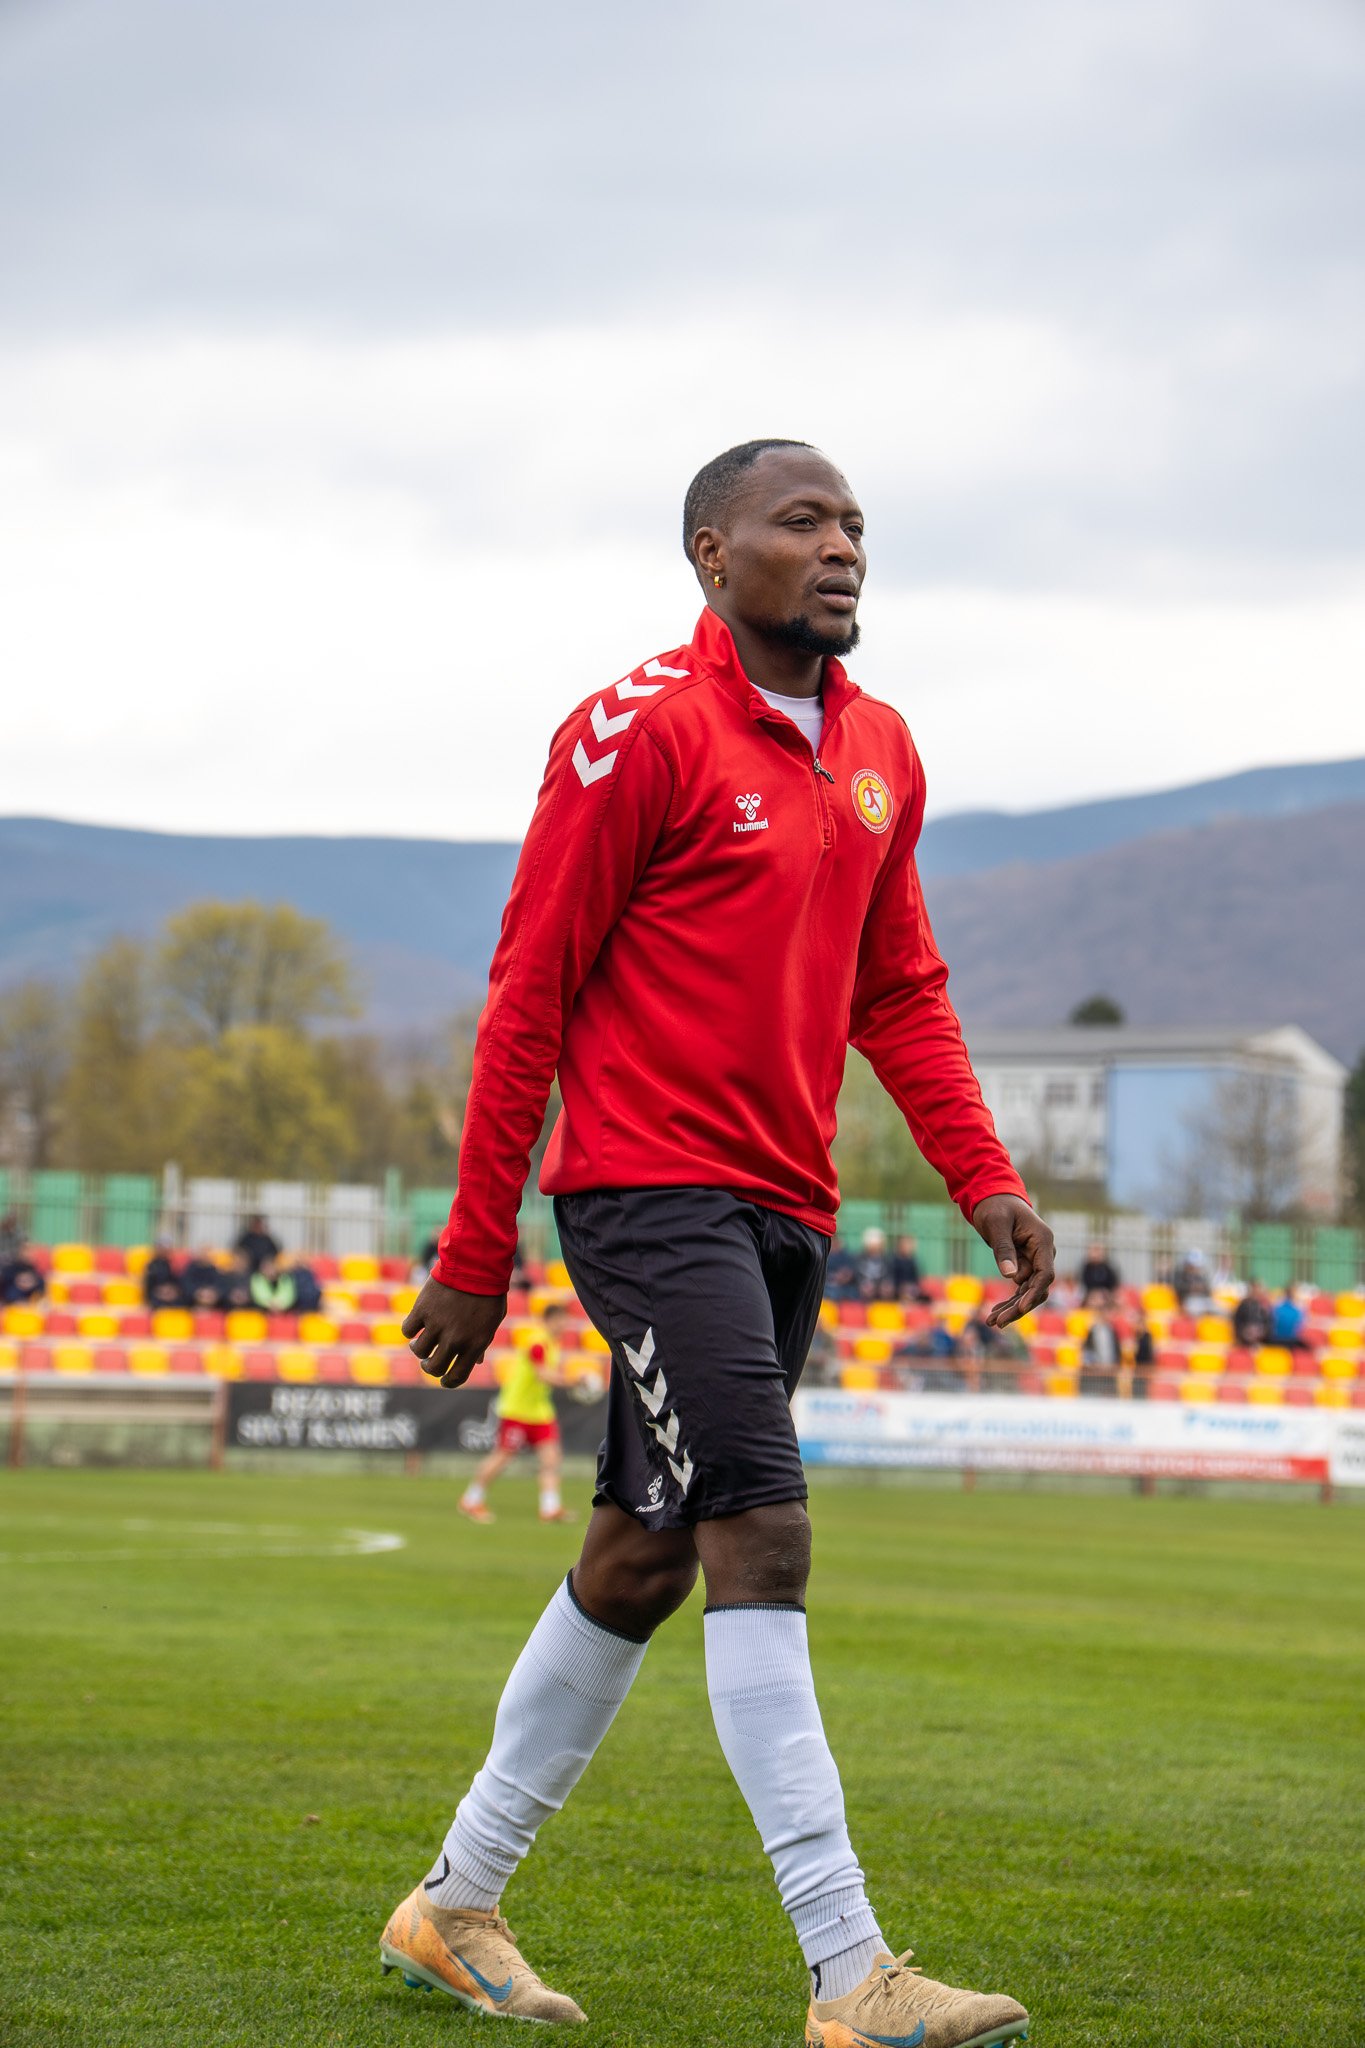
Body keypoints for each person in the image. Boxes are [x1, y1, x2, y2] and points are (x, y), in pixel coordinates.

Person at [393, 439, 1052, 2043]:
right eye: (802, 521)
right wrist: (477, 1247)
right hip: (646, 1194)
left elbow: (899, 988)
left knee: (643, 1554)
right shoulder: (637, 732)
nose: (841, 549)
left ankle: (453, 1905)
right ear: (710, 552)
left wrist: (983, 1178)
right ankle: (851, 1974)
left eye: (855, 526)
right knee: (763, 1531)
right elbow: (529, 989)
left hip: (787, 1207)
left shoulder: (880, 749)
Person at [459, 1302, 575, 1525]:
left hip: (539, 1411)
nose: (563, 1324)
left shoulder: (553, 1343)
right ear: (549, 1320)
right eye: (560, 1319)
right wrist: (573, 1381)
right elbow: (542, 1374)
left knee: (551, 1458)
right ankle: (471, 1499)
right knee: (502, 1456)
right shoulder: (538, 1342)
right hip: (518, 1410)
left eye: (565, 1320)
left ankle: (550, 1507)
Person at [1079, 1303, 1122, 1396]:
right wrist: (1092, 1364)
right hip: (1096, 1371)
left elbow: (1116, 1350)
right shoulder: (1093, 1330)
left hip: (1109, 1371)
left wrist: (1115, 1364)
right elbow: (1088, 1350)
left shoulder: (1112, 1330)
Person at [180, 1246, 226, 1311]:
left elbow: (220, 1285)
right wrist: (198, 1292)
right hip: (193, 1301)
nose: (206, 1255)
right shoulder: (190, 1269)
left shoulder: (215, 1270)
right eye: (203, 1253)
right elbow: (186, 1284)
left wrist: (212, 1293)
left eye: (208, 1253)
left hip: (213, 1301)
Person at [1232, 1280, 1274, 1350]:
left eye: (1259, 1289)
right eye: (1255, 1289)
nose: (1257, 1292)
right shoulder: (1243, 1305)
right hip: (1244, 1340)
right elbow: (1237, 1322)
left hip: (1261, 1341)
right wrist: (1245, 1333)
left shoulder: (1264, 1306)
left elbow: (1268, 1324)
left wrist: (1261, 1333)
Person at [141, 1241, 183, 1310]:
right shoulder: (151, 1265)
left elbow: (179, 1282)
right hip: (157, 1297)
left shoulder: (173, 1265)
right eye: (162, 1248)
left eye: (166, 1248)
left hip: (172, 1296)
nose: (164, 1250)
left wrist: (172, 1291)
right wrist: (161, 1292)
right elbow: (149, 1285)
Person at [891, 1231, 930, 1303]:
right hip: (897, 1290)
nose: (907, 1247)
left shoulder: (914, 1261)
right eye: (905, 1244)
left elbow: (917, 1280)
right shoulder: (894, 1261)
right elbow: (892, 1279)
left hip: (911, 1289)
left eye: (909, 1244)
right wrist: (901, 1287)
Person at [1270, 1285, 1309, 1352]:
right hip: (1289, 1341)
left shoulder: (1276, 1307)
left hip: (1276, 1340)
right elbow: (1301, 1327)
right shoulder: (1298, 1310)